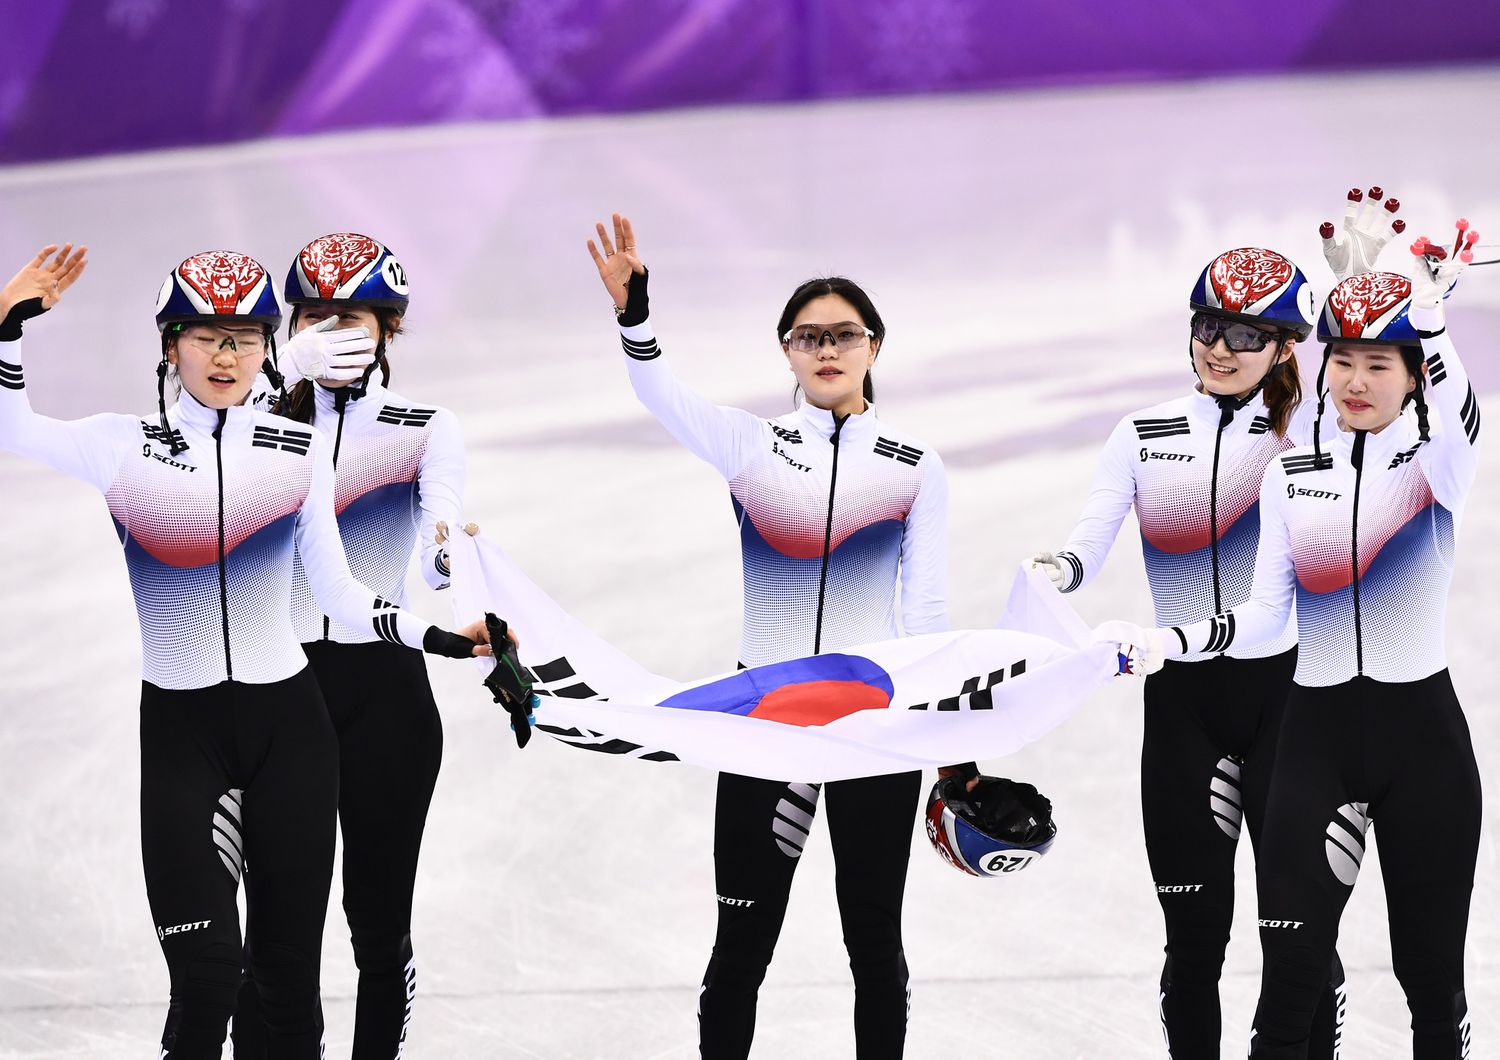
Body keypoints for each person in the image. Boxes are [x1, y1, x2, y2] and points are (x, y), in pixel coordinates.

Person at [0, 245, 494, 1059]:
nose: (225, 355)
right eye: (206, 336)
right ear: (170, 348)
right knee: (206, 980)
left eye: (243, 337)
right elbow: (12, 423)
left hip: (296, 727)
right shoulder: (123, 447)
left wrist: (443, 622)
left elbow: (347, 589)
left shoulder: (297, 451)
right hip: (186, 734)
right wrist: (9, 323)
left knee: (298, 981)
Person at [1102, 224, 1483, 1057]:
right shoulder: (1290, 473)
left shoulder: (1433, 467)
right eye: (1340, 361)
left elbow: (1460, 422)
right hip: (1313, 745)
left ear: (1412, 377)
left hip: (1423, 746)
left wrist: (1432, 324)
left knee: (1429, 984)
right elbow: (1266, 616)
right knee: (1289, 988)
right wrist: (1173, 642)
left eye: (1377, 364)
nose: (1353, 380)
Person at [588, 214, 949, 1059]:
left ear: (874, 346)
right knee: (741, 946)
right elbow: (660, 395)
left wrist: (949, 739)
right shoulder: (751, 446)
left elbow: (927, 614)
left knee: (874, 944)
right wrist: (635, 318)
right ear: (787, 352)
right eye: (808, 336)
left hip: (871, 725)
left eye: (844, 335)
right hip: (769, 720)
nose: (827, 349)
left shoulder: (913, 465)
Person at [232, 232, 470, 1058]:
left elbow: (440, 527)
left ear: (388, 331)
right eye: (315, 318)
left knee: (376, 923)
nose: (334, 332)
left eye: (353, 319)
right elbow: (205, 452)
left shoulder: (424, 427)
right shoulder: (250, 424)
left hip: (385, 696)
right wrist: (277, 376)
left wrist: (447, 561)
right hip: (278, 690)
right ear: (290, 327)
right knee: (273, 933)